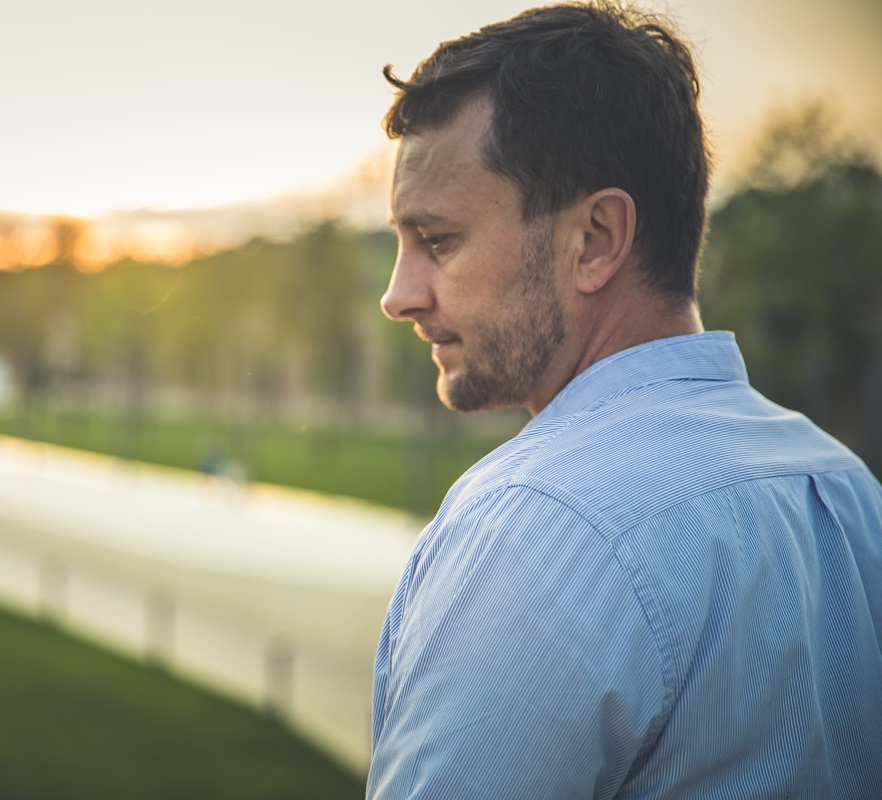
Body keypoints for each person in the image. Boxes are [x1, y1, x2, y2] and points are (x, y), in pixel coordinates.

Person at [367, 3, 882, 798]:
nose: (398, 296)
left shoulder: (537, 528)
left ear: (597, 239)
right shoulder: (843, 490)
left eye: (437, 241)